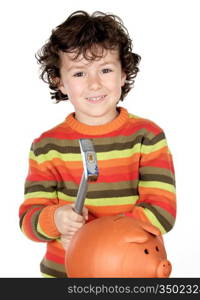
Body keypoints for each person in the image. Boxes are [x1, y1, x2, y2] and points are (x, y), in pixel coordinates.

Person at [19, 10, 176, 278]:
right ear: (60, 81)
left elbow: (161, 210)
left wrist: (91, 238)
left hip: (130, 273)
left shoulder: (147, 136)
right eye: (79, 73)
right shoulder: (46, 146)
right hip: (62, 274)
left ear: (124, 74)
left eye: (105, 69)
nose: (94, 84)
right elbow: (29, 220)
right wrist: (57, 219)